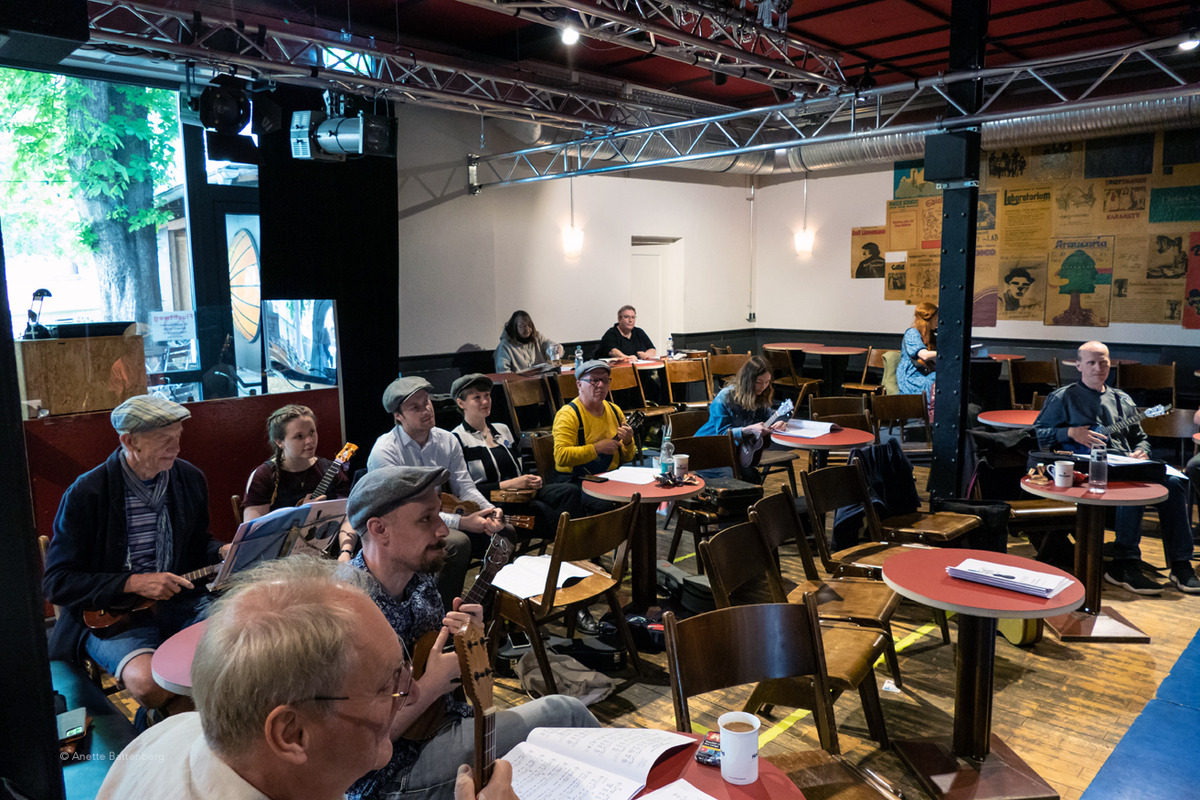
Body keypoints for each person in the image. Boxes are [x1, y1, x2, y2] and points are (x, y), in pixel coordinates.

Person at [96, 556, 519, 800]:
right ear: (291, 733)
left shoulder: (169, 732)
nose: (409, 693)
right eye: (387, 686)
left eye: (402, 670)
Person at [345, 465, 601, 800]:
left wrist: (471, 641)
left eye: (439, 515)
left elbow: (447, 671)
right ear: (380, 530)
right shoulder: (348, 613)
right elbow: (356, 749)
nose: (442, 530)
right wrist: (431, 685)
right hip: (393, 775)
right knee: (565, 714)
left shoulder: (418, 579)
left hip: (448, 724)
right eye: (426, 519)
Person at [43, 394, 229, 722]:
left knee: (238, 650)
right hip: (114, 615)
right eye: (164, 439)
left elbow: (196, 545)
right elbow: (58, 582)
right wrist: (133, 582)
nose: (177, 447)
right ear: (130, 441)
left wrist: (220, 551)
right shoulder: (88, 493)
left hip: (179, 601)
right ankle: (165, 720)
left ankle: (165, 724)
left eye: (178, 437)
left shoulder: (189, 478)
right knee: (149, 686)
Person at [1035, 341, 1199, 595]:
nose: (1098, 368)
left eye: (1103, 362)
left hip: (1125, 462)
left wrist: (1142, 450)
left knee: (1175, 482)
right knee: (1129, 486)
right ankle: (1125, 562)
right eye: (1091, 362)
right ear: (1078, 365)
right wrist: (1070, 432)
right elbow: (1038, 433)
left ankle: (1181, 564)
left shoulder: (1122, 399)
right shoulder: (1062, 397)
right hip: (1086, 468)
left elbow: (1140, 438)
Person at [367, 376, 506, 607]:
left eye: (427, 402)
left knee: (504, 533)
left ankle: (486, 608)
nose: (426, 410)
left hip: (433, 516)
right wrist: (462, 523)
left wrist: (489, 510)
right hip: (399, 524)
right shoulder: (385, 451)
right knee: (457, 543)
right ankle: (441, 614)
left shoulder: (447, 440)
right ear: (398, 416)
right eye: (415, 408)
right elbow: (404, 511)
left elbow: (465, 486)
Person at [449, 373, 586, 540]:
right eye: (477, 398)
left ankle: (571, 544)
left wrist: (533, 479)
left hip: (522, 493)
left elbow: (523, 468)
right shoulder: (457, 438)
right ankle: (571, 544)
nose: (485, 401)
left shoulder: (502, 429)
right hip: (495, 502)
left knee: (570, 491)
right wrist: (512, 484)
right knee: (549, 514)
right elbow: (465, 491)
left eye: (487, 395)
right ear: (461, 403)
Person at [242, 404, 359, 560]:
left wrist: (346, 551)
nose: (310, 441)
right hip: (279, 561)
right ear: (279, 441)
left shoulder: (331, 470)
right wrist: (299, 516)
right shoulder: (264, 476)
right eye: (299, 436)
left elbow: (347, 518)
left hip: (328, 556)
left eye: (312, 432)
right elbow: (253, 534)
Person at [694, 356, 787, 482]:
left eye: (767, 382)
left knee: (753, 479)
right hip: (709, 450)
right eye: (759, 382)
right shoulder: (725, 397)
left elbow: (768, 420)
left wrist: (777, 423)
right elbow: (722, 435)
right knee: (736, 479)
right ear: (747, 380)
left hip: (736, 451)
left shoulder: (761, 397)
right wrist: (748, 430)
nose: (763, 386)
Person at [551, 360, 637, 482]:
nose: (601, 385)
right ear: (579, 384)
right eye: (594, 380)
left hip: (610, 476)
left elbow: (628, 458)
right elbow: (561, 456)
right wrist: (596, 449)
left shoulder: (615, 410)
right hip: (578, 480)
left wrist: (628, 442)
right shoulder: (568, 414)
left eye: (605, 380)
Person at [494, 310, 561, 373]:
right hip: (519, 381)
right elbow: (503, 373)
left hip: (543, 379)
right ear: (514, 327)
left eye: (529, 325)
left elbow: (549, 345)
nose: (527, 329)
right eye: (523, 326)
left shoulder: (538, 337)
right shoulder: (505, 346)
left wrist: (556, 349)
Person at [897, 302, 937, 400]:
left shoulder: (931, 335)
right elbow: (924, 355)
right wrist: (946, 354)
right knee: (940, 379)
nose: (938, 320)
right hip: (912, 378)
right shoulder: (912, 333)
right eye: (936, 318)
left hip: (924, 374)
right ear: (929, 319)